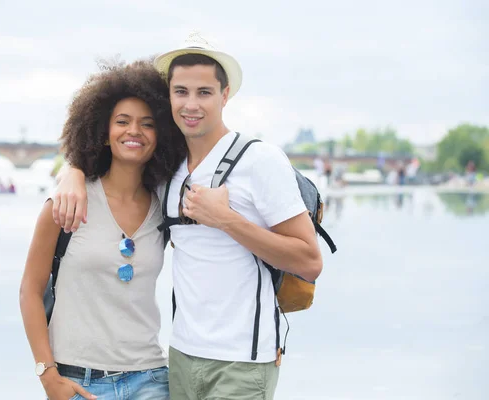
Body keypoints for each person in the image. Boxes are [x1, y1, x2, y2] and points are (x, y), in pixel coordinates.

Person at [52, 33, 323, 399]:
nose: (191, 104)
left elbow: (309, 262)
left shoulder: (261, 161)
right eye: (181, 92)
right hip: (180, 356)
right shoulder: (169, 168)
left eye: (204, 92)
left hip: (242, 361)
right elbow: (114, 159)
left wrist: (227, 220)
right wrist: (73, 171)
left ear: (225, 95)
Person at [19, 59, 186, 400]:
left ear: (162, 135)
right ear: (102, 132)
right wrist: (47, 375)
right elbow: (29, 291)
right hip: (80, 383)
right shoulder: (67, 202)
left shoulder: (164, 206)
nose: (134, 131)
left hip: (152, 380)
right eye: (121, 121)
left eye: (148, 124)